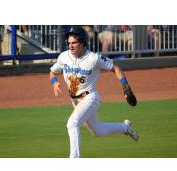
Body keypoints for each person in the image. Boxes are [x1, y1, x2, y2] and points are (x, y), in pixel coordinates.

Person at [49, 27, 138, 158]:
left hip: (90, 97)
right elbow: (52, 72)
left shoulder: (94, 58)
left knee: (72, 124)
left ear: (83, 42)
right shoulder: (64, 57)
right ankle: (125, 128)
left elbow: (116, 68)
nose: (70, 45)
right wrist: (54, 83)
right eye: (69, 43)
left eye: (74, 43)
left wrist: (125, 84)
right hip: (75, 101)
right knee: (98, 130)